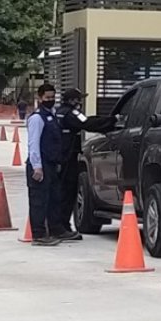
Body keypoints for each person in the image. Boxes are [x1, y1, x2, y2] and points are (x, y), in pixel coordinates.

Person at [54, 88, 116, 241]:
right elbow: (87, 123)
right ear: (73, 101)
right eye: (78, 99)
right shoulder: (71, 113)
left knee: (59, 191)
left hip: (59, 155)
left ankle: (57, 225)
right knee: (68, 191)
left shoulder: (58, 112)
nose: (80, 102)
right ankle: (62, 227)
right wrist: (111, 121)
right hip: (68, 156)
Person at [25, 83, 63, 247]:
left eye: (53, 97)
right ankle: (38, 234)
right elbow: (33, 144)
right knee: (38, 201)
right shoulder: (36, 118)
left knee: (53, 200)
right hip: (40, 165)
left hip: (51, 164)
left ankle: (52, 231)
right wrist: (37, 167)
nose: (50, 100)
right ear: (39, 98)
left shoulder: (52, 116)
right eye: (47, 98)